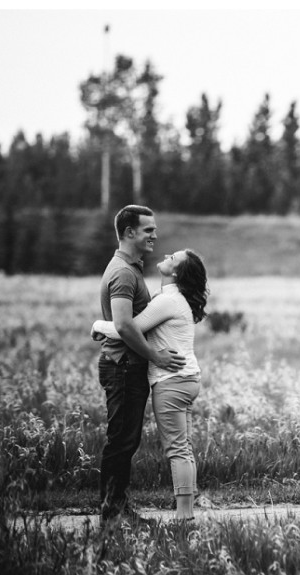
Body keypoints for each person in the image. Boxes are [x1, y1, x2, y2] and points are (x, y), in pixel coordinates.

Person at [93, 248, 209, 521]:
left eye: (173, 258)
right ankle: (186, 511)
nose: (167, 255)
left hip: (172, 382)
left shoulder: (168, 301)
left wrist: (98, 324)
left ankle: (184, 516)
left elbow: (126, 328)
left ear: (177, 272)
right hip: (186, 380)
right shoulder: (171, 299)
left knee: (177, 448)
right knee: (183, 446)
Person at [97, 205, 185, 527]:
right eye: (148, 230)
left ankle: (117, 507)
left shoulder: (129, 268)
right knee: (121, 440)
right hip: (122, 366)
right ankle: (112, 512)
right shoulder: (122, 272)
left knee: (126, 440)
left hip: (127, 366)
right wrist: (156, 356)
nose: (155, 235)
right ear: (129, 232)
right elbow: (123, 325)